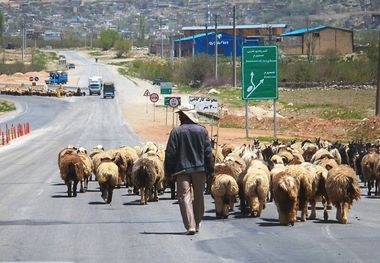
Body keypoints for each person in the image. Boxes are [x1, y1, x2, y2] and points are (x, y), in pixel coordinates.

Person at [164, 103, 214, 235]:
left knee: (184, 196)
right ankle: (197, 223)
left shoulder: (176, 132)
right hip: (199, 170)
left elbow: (170, 153)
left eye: (181, 114)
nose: (179, 117)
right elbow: (208, 153)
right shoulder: (202, 131)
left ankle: (190, 225)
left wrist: (168, 172)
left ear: (186, 116)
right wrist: (211, 170)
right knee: (199, 196)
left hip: (182, 170)